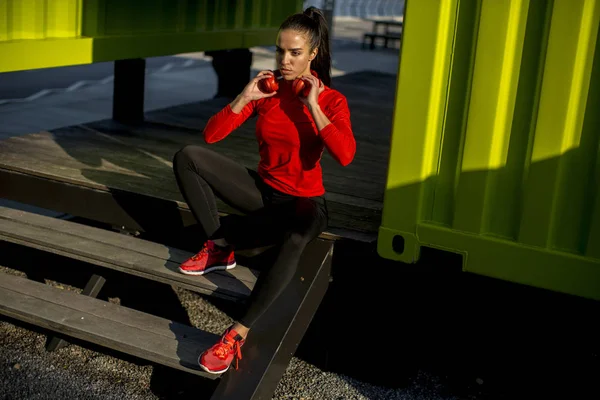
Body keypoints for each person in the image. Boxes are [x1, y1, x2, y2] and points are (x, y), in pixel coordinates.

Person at [172, 6, 356, 375]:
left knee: (296, 235)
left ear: (313, 54)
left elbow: (346, 155)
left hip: (304, 203)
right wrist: (245, 97)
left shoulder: (331, 101)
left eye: (295, 53)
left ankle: (236, 333)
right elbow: (211, 135)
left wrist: (314, 106)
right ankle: (219, 247)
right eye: (280, 51)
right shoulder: (269, 92)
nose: (284, 60)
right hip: (264, 192)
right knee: (188, 156)